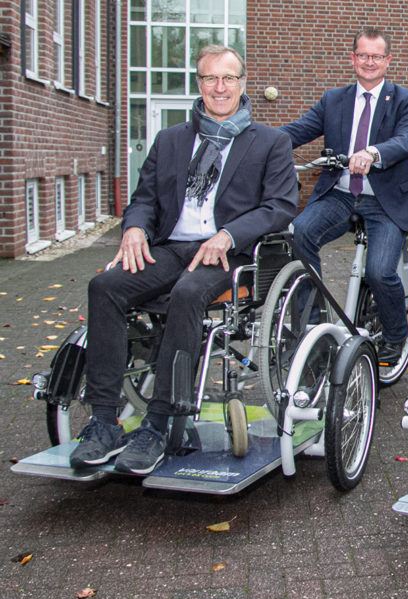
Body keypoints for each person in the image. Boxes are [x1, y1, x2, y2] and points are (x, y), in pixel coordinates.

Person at [70, 45, 298, 474]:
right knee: (105, 287)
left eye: (228, 78)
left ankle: (157, 424)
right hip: (171, 248)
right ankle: (103, 421)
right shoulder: (171, 139)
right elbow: (144, 200)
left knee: (187, 295)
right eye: (210, 78)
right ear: (199, 84)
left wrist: (229, 234)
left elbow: (280, 207)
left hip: (227, 254)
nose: (219, 87)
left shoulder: (271, 142)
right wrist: (134, 227)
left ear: (243, 83)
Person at [282, 28, 408, 364]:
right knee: (300, 234)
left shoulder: (406, 99)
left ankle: (395, 334)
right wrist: (253, 141)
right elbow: (297, 130)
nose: (369, 62)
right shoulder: (334, 100)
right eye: (363, 55)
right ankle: (311, 322)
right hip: (341, 194)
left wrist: (373, 153)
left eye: (376, 56)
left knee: (379, 271)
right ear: (353, 58)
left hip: (385, 201)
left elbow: (407, 139)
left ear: (388, 60)